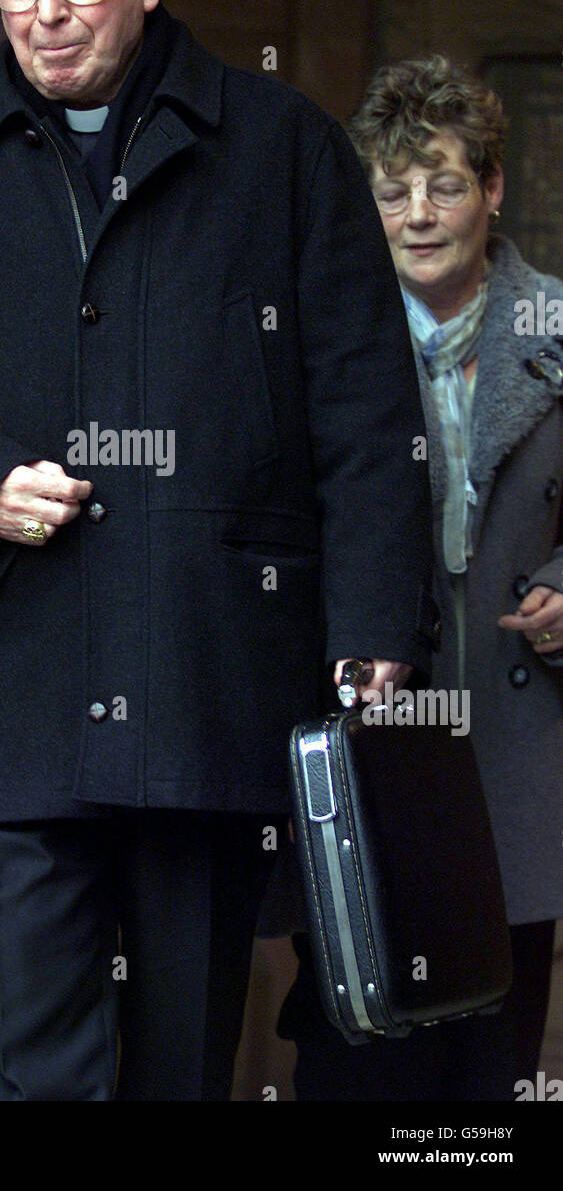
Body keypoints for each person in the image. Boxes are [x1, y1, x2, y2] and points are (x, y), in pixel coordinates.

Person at [0, 0, 437, 1101]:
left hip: (210, 676)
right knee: (36, 1060)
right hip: (15, 681)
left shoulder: (288, 154)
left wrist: (375, 617)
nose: (45, 9)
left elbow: (369, 409)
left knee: (181, 1059)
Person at [279, 54, 563, 1101]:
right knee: (356, 1038)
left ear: (492, 188)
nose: (417, 211)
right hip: (372, 732)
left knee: (490, 1056)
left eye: (444, 183)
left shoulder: (556, 329)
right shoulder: (317, 341)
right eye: (391, 187)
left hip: (513, 732)